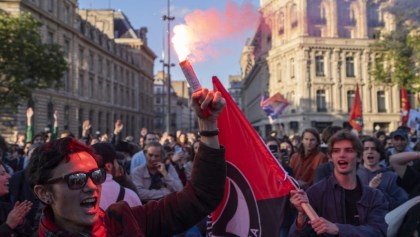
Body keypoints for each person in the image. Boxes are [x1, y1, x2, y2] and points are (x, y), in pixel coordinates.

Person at [26, 87, 227, 236]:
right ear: (44, 193)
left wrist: (208, 125)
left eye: (96, 176)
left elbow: (201, 196)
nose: (91, 187)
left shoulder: (123, 221)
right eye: (76, 179)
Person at [289, 130, 388, 236]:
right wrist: (301, 216)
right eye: (336, 151)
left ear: (359, 157)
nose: (342, 155)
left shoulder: (374, 196)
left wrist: (338, 229)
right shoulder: (315, 193)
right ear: (331, 158)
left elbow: (378, 232)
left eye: (348, 150)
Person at [357, 136, 408, 210]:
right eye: (366, 149)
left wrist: (379, 190)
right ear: (361, 154)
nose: (370, 151)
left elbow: (400, 206)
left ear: (380, 153)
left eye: (374, 149)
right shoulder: (353, 175)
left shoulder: (392, 177)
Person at [91, 142, 142, 210]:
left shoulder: (81, 191)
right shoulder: (129, 195)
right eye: (116, 162)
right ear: (109, 166)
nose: (118, 166)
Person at [0, 161, 33, 237]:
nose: (9, 176)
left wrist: (20, 222)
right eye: (2, 174)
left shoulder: (7, 208)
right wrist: (8, 226)